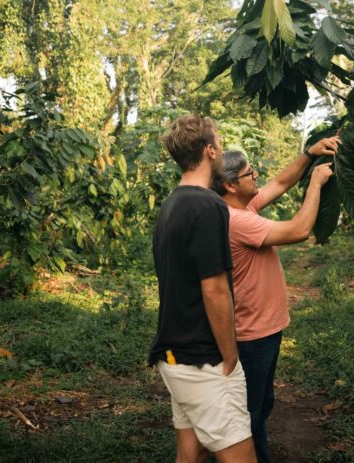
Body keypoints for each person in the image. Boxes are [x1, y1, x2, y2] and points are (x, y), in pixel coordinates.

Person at [211, 136, 340, 463]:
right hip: (252, 334)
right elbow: (298, 230)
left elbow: (282, 181)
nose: (256, 176)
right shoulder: (238, 221)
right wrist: (315, 185)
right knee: (250, 413)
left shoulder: (244, 205)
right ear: (229, 185)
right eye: (249, 174)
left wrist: (311, 153)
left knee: (260, 403)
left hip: (263, 329)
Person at [149, 114, 256, 463]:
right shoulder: (208, 206)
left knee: (189, 453)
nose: (223, 148)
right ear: (209, 150)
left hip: (173, 356)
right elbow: (214, 290)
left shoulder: (171, 204)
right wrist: (229, 356)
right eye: (220, 142)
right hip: (202, 360)